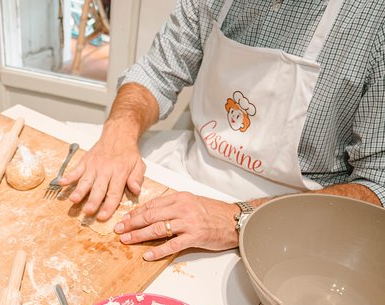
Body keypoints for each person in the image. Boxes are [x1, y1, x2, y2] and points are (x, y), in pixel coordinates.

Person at [60, 0, 385, 261]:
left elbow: (377, 183)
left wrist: (238, 218)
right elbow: (157, 71)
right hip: (190, 165)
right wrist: (119, 131)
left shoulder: (374, 23)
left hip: (294, 216)